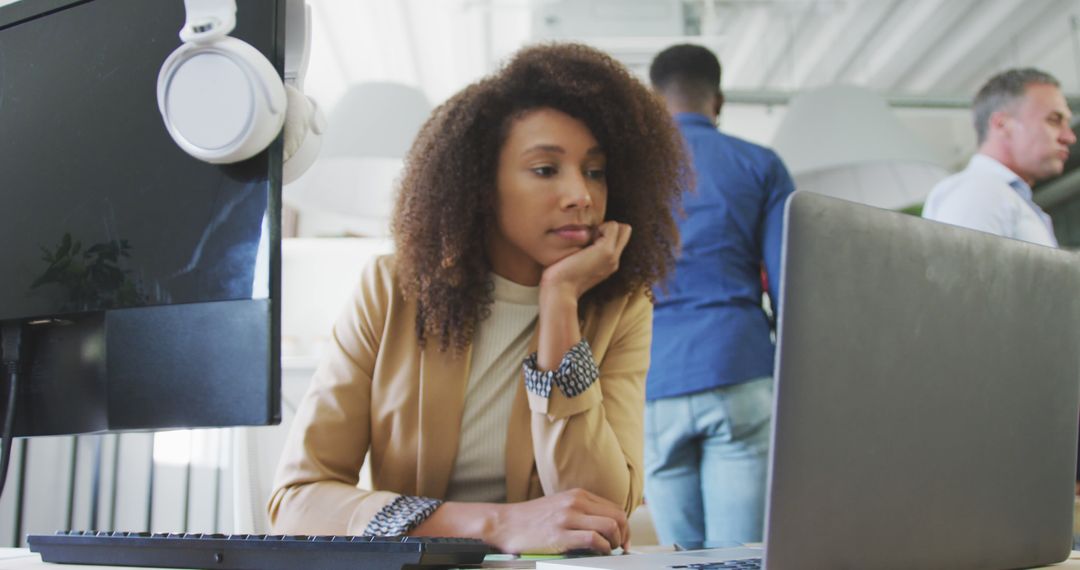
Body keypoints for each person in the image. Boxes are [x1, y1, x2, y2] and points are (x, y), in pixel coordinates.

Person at [267, 43, 689, 554]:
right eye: (545, 169)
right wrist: (494, 525)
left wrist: (560, 303)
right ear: (480, 185)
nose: (581, 194)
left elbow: (597, 514)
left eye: (595, 171)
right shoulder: (392, 289)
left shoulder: (619, 307)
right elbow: (297, 502)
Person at [643, 44, 795, 546]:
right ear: (719, 100)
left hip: (652, 378)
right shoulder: (760, 164)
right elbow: (790, 280)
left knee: (678, 559)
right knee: (735, 557)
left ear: (651, 99)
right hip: (739, 368)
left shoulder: (628, 173)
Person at [923, 68, 1075, 246]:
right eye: (1054, 120)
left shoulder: (1000, 195)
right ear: (1002, 125)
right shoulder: (980, 190)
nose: (1069, 137)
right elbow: (960, 273)